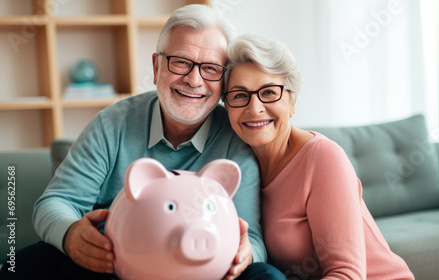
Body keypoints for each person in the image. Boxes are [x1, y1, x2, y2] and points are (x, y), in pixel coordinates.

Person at [0, 5, 285, 280]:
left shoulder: (236, 138)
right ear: (157, 65)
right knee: (21, 265)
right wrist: (72, 235)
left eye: (210, 68)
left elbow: (253, 238)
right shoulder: (113, 123)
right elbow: (56, 202)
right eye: (181, 62)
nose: (194, 80)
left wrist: (246, 255)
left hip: (202, 270)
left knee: (266, 275)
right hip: (111, 266)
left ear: (223, 79)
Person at [222, 34, 415, 280]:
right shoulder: (241, 165)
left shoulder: (323, 157)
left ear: (292, 103)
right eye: (239, 95)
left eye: (269, 92)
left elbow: (347, 274)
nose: (254, 108)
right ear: (226, 107)